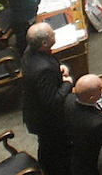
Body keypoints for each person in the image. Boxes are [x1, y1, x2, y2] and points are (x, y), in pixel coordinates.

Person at [21, 22, 74, 175]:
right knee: (55, 150)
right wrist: (67, 83)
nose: (55, 35)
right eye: (52, 34)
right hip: (47, 121)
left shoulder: (29, 51)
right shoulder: (43, 69)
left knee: (46, 146)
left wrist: (57, 71)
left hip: (34, 112)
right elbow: (53, 102)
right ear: (44, 43)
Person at [63, 75, 102, 175]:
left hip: (76, 155)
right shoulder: (100, 123)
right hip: (92, 164)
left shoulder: (69, 99)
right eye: (100, 89)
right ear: (92, 98)